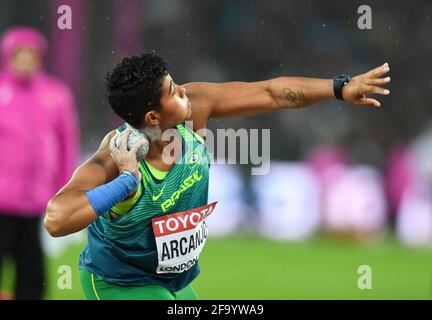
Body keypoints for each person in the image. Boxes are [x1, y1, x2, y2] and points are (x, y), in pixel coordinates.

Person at [44, 53, 390, 300]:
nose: (184, 92)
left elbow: (270, 93)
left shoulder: (193, 109)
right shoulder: (115, 159)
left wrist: (338, 88)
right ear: (152, 116)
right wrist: (126, 184)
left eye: (176, 83)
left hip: (170, 281)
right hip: (119, 282)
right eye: (173, 92)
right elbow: (56, 219)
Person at [0, 27, 79, 300]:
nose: (24, 60)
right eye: (19, 54)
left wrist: (66, 189)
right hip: (1, 200)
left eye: (29, 55)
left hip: (35, 199)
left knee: (32, 270)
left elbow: (67, 144)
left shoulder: (56, 94)